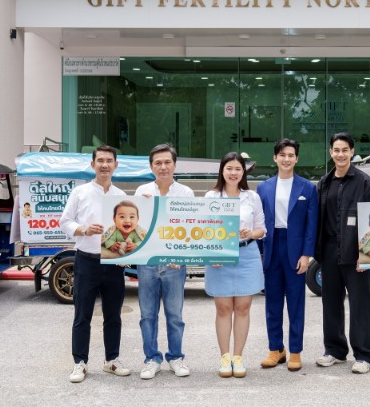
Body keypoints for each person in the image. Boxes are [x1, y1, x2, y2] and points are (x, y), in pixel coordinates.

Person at [60, 145, 131, 383]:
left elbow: (127, 229)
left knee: (113, 315)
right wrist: (83, 229)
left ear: (115, 165)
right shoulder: (80, 193)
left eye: (109, 161)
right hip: (86, 261)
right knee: (82, 315)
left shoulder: (121, 196)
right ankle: (80, 363)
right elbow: (64, 221)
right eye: (100, 160)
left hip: (113, 263)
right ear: (93, 164)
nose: (104, 165)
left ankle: (112, 360)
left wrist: (125, 255)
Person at [314, 132, 370, 374]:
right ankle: (335, 350)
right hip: (329, 249)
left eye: (345, 150)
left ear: (352, 152)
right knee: (330, 302)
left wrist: (366, 255)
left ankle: (363, 355)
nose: (340, 154)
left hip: (356, 251)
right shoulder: (324, 182)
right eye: (336, 150)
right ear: (331, 152)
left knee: (360, 304)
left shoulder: (364, 182)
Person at [134, 143, 194, 380]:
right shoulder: (142, 191)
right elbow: (136, 227)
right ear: (151, 167)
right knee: (147, 314)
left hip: (174, 263)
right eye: (158, 163)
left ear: (175, 165)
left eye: (167, 162)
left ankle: (176, 357)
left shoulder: (186, 193)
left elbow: (191, 228)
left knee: (175, 315)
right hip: (147, 262)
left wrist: (182, 255)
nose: (163, 167)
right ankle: (151, 359)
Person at [256, 139, 318, 371]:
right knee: (272, 303)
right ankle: (275, 349)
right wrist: (259, 253)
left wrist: (306, 254)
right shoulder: (263, 187)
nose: (286, 159)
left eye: (291, 155)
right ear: (275, 158)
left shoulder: (307, 188)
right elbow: (259, 221)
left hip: (295, 251)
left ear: (297, 158)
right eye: (282, 155)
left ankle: (295, 351)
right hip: (271, 248)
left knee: (295, 304)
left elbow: (311, 225)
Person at [204, 152, 266, 378]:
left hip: (247, 254)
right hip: (219, 255)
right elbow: (203, 230)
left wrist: (251, 232)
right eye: (229, 168)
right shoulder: (211, 196)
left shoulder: (252, 197)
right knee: (223, 308)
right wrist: (212, 254)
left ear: (243, 172)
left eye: (238, 169)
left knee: (243, 308)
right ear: (222, 170)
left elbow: (262, 229)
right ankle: (224, 357)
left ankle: (238, 357)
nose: (233, 173)